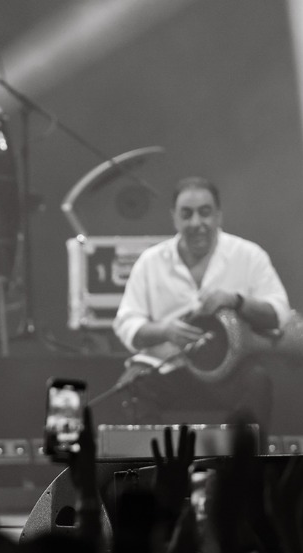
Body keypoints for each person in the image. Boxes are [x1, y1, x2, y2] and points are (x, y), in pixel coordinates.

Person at [112, 177, 291, 429]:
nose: (196, 223)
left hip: (230, 371)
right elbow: (126, 323)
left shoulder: (249, 255)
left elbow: (279, 314)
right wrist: (165, 330)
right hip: (169, 368)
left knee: (257, 381)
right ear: (174, 218)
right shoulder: (150, 262)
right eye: (187, 214)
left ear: (218, 216)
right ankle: (150, 455)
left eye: (205, 213)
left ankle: (240, 454)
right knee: (131, 386)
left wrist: (237, 301)